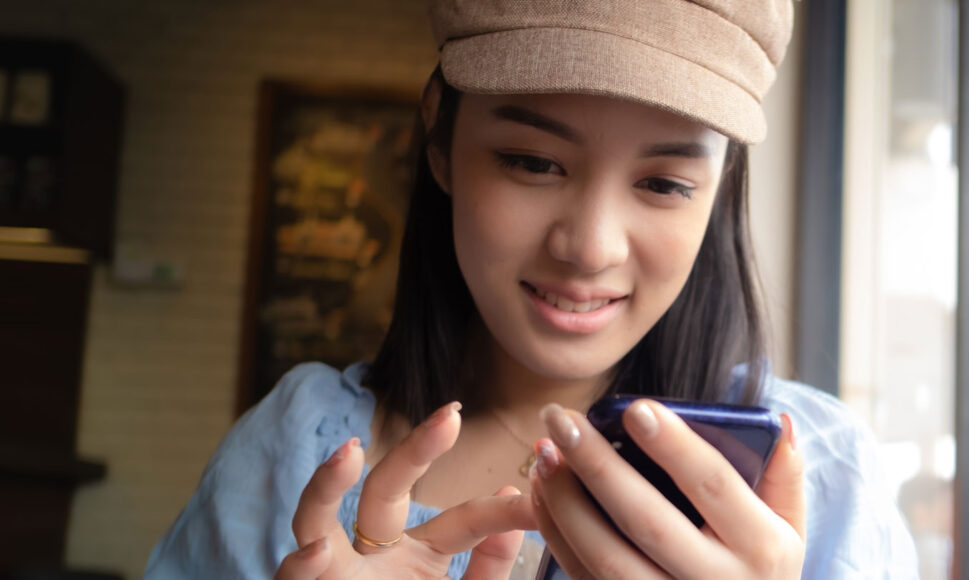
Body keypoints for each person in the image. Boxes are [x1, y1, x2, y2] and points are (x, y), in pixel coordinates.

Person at [145, 1, 919, 578]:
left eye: (662, 182)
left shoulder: (823, 480)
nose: (589, 246)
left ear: (719, 191)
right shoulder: (293, 450)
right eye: (533, 162)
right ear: (441, 142)